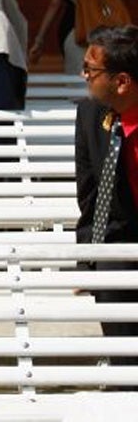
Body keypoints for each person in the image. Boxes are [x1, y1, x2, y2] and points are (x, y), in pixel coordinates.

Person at [75, 24, 138, 363]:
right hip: (119, 239)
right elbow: (90, 194)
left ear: (122, 81)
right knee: (125, 355)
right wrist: (89, 261)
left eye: (90, 69)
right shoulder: (89, 116)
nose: (82, 74)